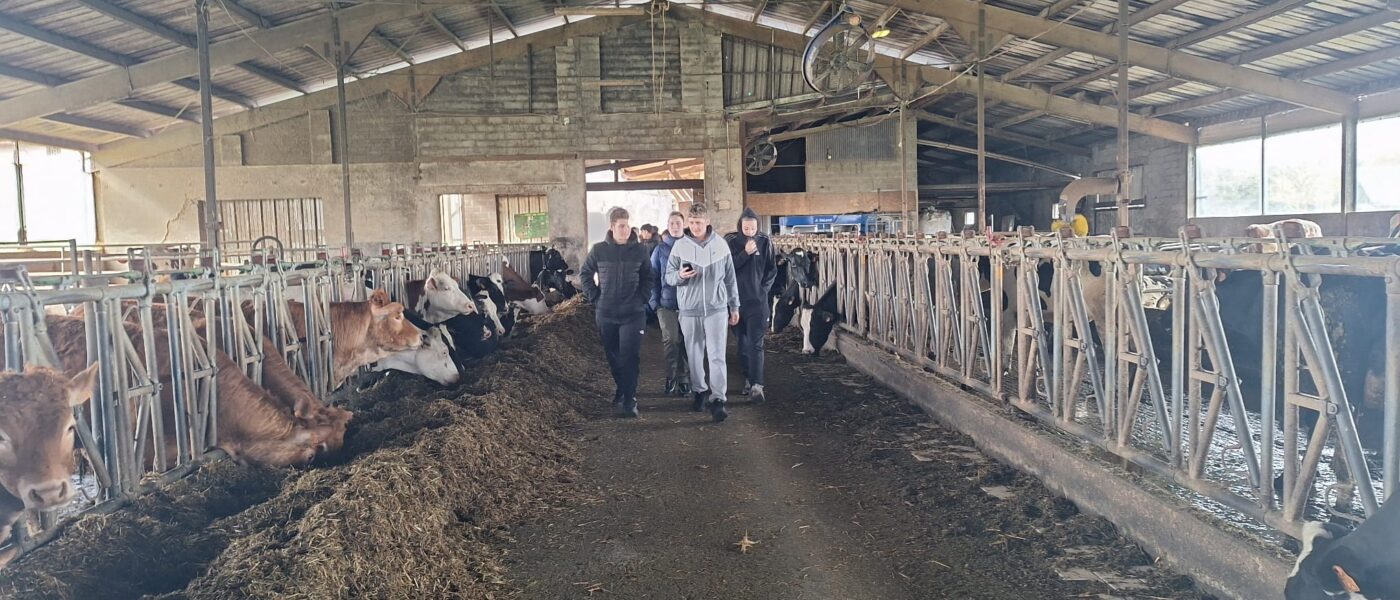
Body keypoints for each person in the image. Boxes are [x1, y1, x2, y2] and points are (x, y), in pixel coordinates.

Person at [666, 203, 741, 423]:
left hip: (716, 307)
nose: (695, 226)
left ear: (707, 221)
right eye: (691, 222)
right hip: (689, 309)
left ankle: (718, 399)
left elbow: (730, 279)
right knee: (694, 352)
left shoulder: (721, 245)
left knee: (717, 354)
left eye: (698, 222)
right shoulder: (680, 246)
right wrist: (680, 275)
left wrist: (734, 306)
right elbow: (668, 277)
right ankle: (700, 390)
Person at [579, 207, 655, 418]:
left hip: (633, 313)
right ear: (612, 227)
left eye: (627, 225)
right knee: (613, 355)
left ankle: (630, 399)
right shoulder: (599, 250)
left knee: (630, 355)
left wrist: (641, 299)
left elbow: (649, 277)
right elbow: (585, 274)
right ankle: (621, 388)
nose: (625, 230)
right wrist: (595, 297)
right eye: (621, 226)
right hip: (607, 312)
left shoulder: (640, 250)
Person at [725, 208, 778, 404]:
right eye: (746, 228)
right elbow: (727, 268)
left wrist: (763, 290)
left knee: (756, 343)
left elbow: (772, 269)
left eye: (753, 228)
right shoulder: (730, 241)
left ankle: (757, 385)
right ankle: (748, 376)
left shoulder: (765, 240)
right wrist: (744, 254)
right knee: (742, 344)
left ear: (758, 226)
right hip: (736, 302)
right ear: (740, 226)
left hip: (758, 302)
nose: (750, 231)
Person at [649, 212, 691, 397]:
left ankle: (684, 378)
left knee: (686, 341)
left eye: (678, 223)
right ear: (668, 225)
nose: (675, 226)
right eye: (672, 223)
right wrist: (654, 302)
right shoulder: (660, 250)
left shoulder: (691, 247)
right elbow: (652, 276)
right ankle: (671, 376)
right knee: (671, 339)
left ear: (683, 225)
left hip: (689, 304)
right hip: (666, 303)